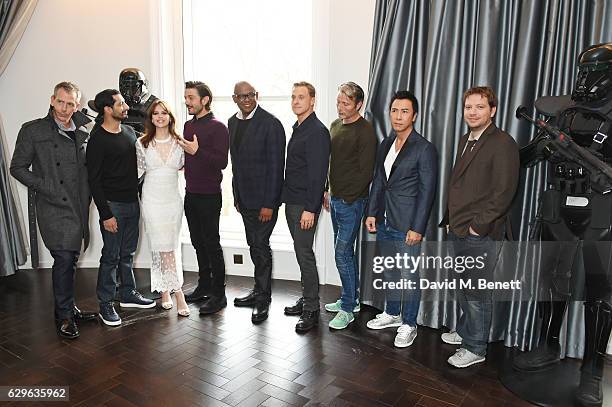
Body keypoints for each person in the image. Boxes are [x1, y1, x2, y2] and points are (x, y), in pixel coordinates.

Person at [439, 86, 519, 367]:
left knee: (476, 292)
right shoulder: (466, 139)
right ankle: (465, 331)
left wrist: (478, 227)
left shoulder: (503, 143)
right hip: (458, 228)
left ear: (492, 111)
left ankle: (475, 348)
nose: (472, 112)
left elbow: (503, 192)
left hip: (480, 233)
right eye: (468, 107)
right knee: (464, 287)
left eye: (479, 107)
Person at [10, 82, 97, 339]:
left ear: (77, 105)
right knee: (64, 258)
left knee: (70, 259)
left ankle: (69, 307)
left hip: (78, 203)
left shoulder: (84, 129)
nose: (65, 108)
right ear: (52, 100)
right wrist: (45, 186)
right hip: (53, 204)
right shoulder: (33, 130)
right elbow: (17, 167)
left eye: (71, 104)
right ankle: (64, 317)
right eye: (61, 101)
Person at [364, 91, 438, 347]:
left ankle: (409, 323)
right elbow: (378, 181)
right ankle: (392, 313)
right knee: (390, 270)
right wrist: (372, 212)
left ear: (414, 116)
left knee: (409, 275)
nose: (398, 116)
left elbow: (427, 192)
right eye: (394, 110)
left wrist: (417, 228)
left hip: (407, 225)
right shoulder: (385, 143)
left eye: (404, 111)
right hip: (384, 219)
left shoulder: (424, 148)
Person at [87, 89, 156, 327]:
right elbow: (93, 181)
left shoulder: (128, 132)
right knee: (111, 256)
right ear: (107, 109)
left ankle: (128, 293)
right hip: (113, 207)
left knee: (127, 253)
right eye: (121, 104)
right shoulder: (97, 139)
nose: (126, 107)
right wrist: (106, 215)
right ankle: (105, 302)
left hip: (131, 202)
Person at [319, 82, 377, 330]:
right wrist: (326, 189)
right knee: (344, 252)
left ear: (358, 104)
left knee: (342, 253)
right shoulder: (334, 126)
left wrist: (348, 198)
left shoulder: (365, 132)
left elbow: (367, 173)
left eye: (346, 103)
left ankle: (347, 308)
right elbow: (328, 161)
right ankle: (350, 300)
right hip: (334, 198)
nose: (340, 107)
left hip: (352, 202)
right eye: (338, 102)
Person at [228, 81, 286, 323]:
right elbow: (236, 165)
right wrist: (236, 196)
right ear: (234, 99)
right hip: (245, 199)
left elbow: (276, 168)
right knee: (253, 244)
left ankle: (263, 298)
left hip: (264, 202)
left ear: (257, 95)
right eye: (241, 96)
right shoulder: (232, 122)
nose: (246, 99)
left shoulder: (271, 124)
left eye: (250, 95)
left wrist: (269, 204)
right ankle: (258, 290)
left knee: (260, 246)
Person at [282, 82, 330, 333]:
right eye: (293, 97)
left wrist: (311, 208)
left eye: (301, 97)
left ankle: (311, 307)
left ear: (313, 100)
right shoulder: (299, 128)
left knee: (304, 254)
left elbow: (317, 174)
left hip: (304, 205)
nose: (296, 101)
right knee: (301, 252)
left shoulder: (317, 131)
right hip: (292, 200)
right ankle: (307, 297)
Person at [178, 81, 229, 315]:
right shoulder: (188, 126)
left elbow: (222, 163)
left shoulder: (219, 128)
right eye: (186, 98)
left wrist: (197, 151)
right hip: (191, 194)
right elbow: (188, 157)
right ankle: (204, 286)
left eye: (191, 98)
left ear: (204, 100)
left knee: (211, 244)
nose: (187, 102)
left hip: (210, 196)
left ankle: (219, 295)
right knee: (198, 243)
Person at [136, 100, 189, 316]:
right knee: (160, 246)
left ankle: (165, 288)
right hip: (151, 200)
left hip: (172, 201)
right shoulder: (141, 143)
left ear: (170, 117)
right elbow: (137, 173)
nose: (159, 117)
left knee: (170, 246)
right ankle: (177, 293)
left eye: (164, 113)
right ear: (151, 118)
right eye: (155, 113)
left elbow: (188, 167)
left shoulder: (179, 142)